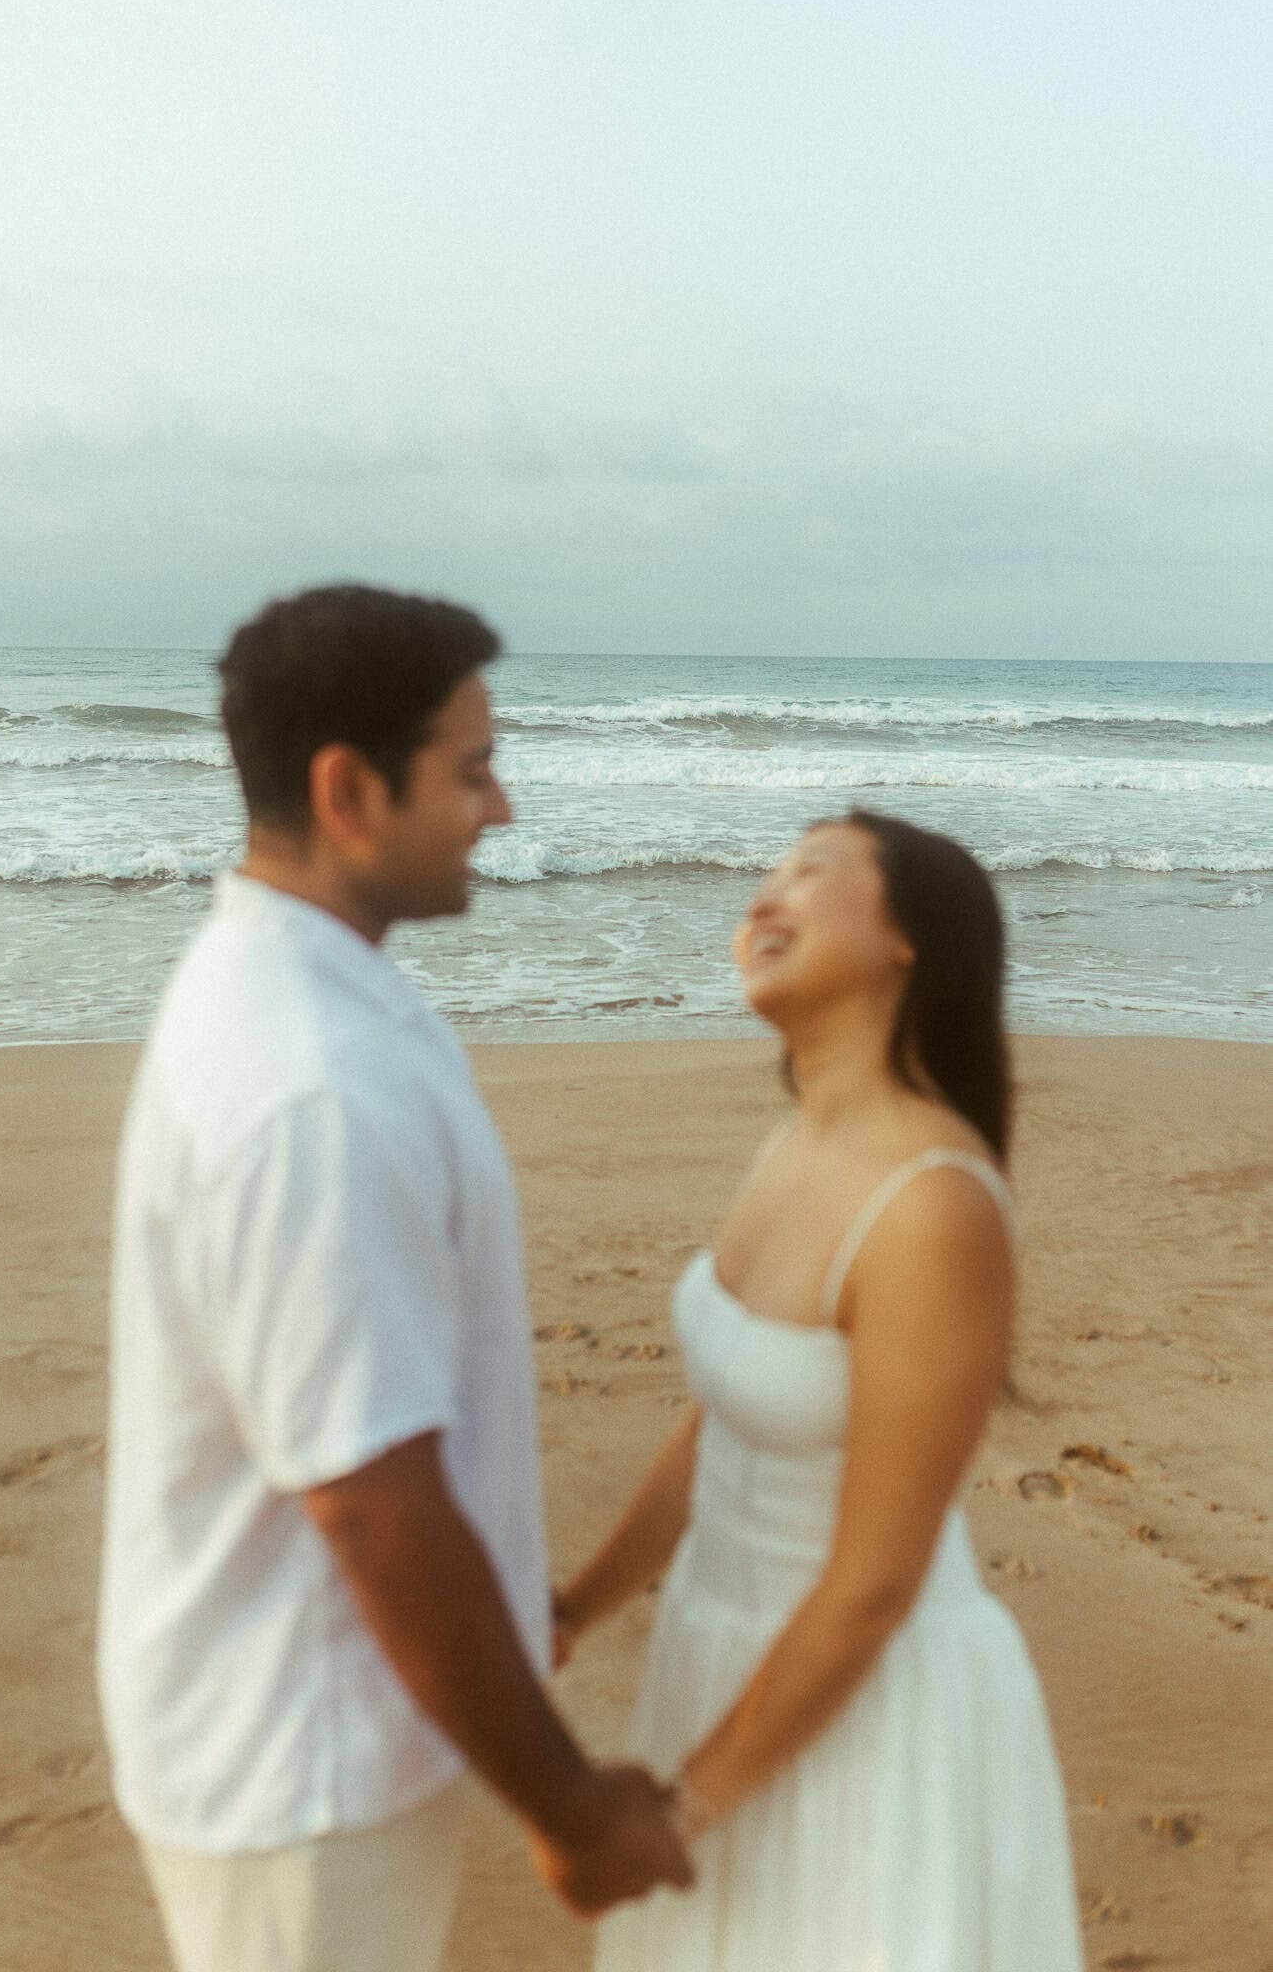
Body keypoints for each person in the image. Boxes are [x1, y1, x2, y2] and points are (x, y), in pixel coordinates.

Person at [97, 583, 691, 1972]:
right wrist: (568, 1805)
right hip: (295, 1763)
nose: (503, 809)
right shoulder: (308, 1089)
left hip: (322, 1728)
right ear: (348, 788)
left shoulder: (317, 992)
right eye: (472, 770)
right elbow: (372, 1505)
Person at [555, 810, 1084, 1970]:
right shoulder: (792, 1144)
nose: (764, 894)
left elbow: (874, 1585)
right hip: (725, 1663)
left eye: (811, 868)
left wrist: (683, 1809)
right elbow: (726, 1422)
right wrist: (575, 1607)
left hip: (865, 1718)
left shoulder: (932, 1201)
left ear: (910, 939)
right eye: (763, 869)